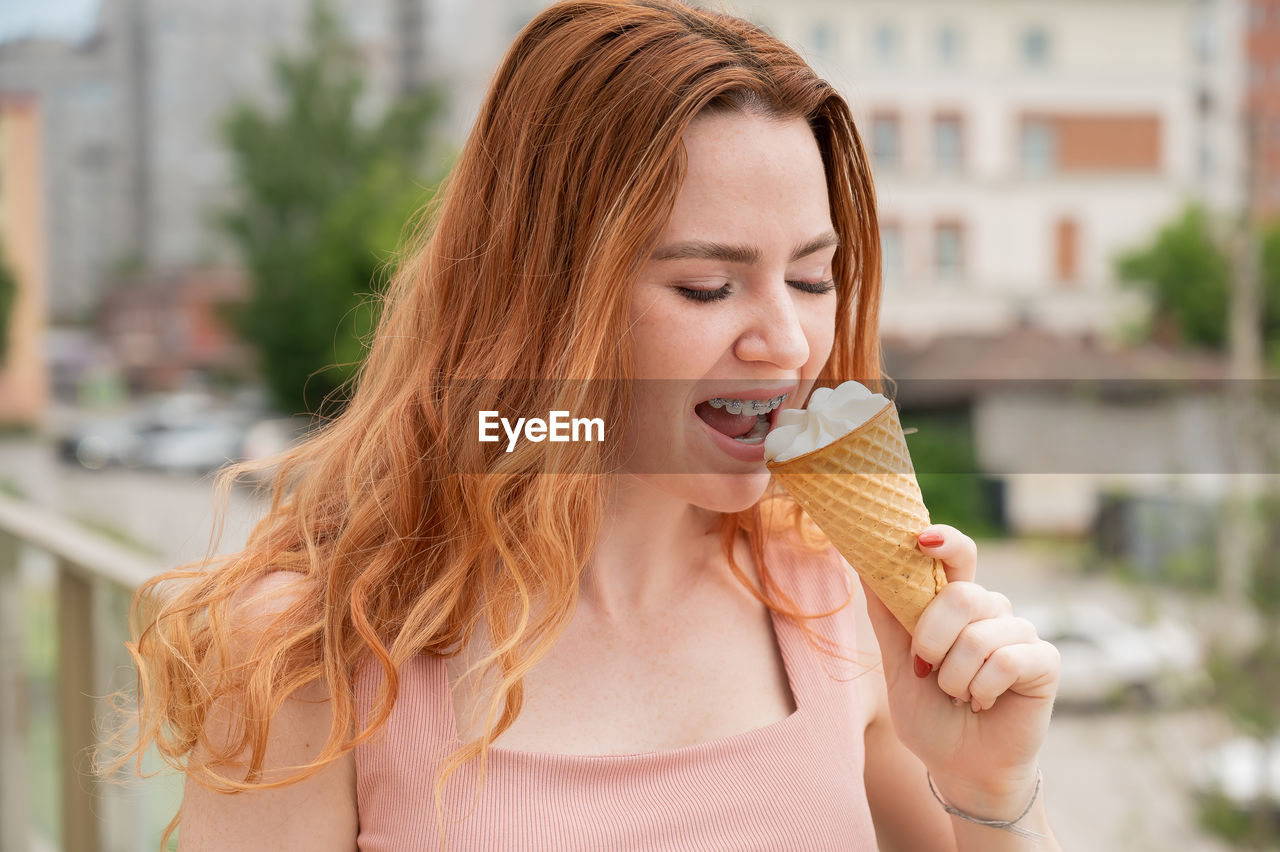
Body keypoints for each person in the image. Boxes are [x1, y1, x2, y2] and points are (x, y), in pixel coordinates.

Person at [105, 1, 1062, 849]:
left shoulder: (834, 596)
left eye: (813, 277)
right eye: (707, 285)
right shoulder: (311, 650)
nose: (788, 340)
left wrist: (990, 791)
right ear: (543, 297)